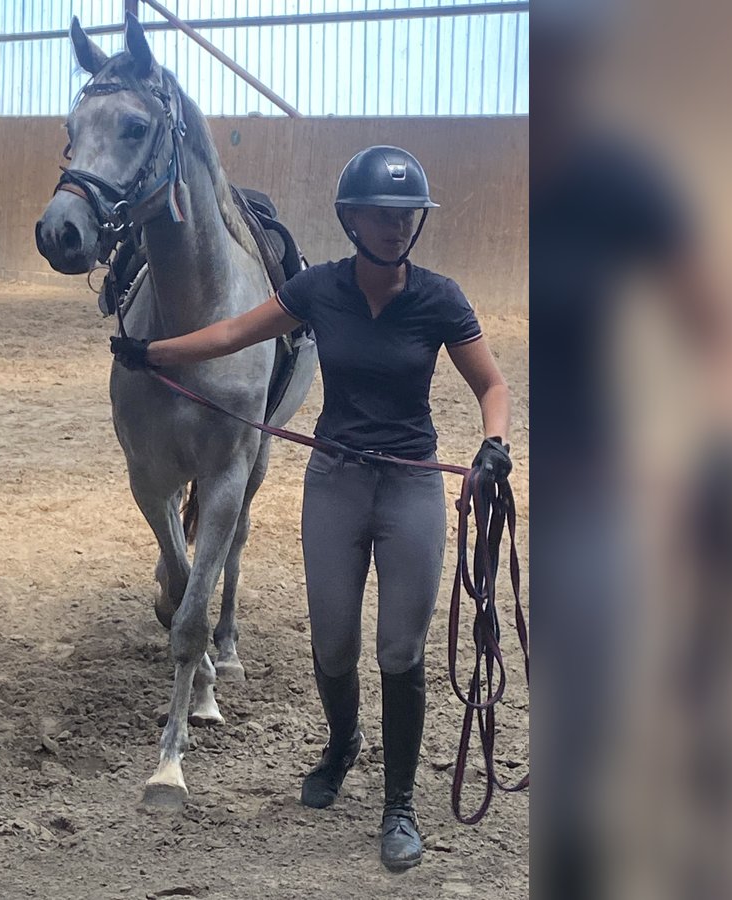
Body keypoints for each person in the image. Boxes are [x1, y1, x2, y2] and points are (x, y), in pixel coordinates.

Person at [111, 146, 512, 872]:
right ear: (351, 219)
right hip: (334, 482)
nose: (398, 227)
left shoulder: (441, 298)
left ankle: (399, 804)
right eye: (384, 216)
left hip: (410, 485)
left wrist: (493, 446)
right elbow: (233, 333)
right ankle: (341, 744)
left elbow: (492, 386)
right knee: (332, 647)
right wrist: (153, 352)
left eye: (407, 216)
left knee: (399, 648)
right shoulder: (319, 290)